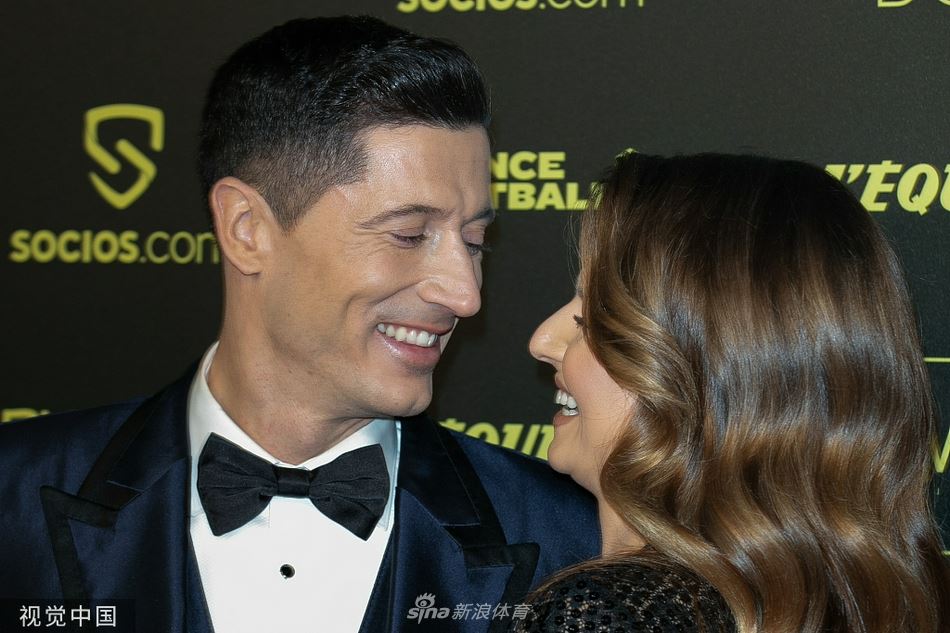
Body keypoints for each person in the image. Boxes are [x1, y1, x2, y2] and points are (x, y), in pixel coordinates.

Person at [0, 16, 599, 633]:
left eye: (473, 241)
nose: (465, 295)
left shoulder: (571, 544)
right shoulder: (13, 501)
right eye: (408, 234)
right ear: (246, 230)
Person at [518, 152, 950, 633]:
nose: (542, 341)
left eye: (589, 317)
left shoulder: (607, 614)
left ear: (699, 373)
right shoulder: (891, 602)